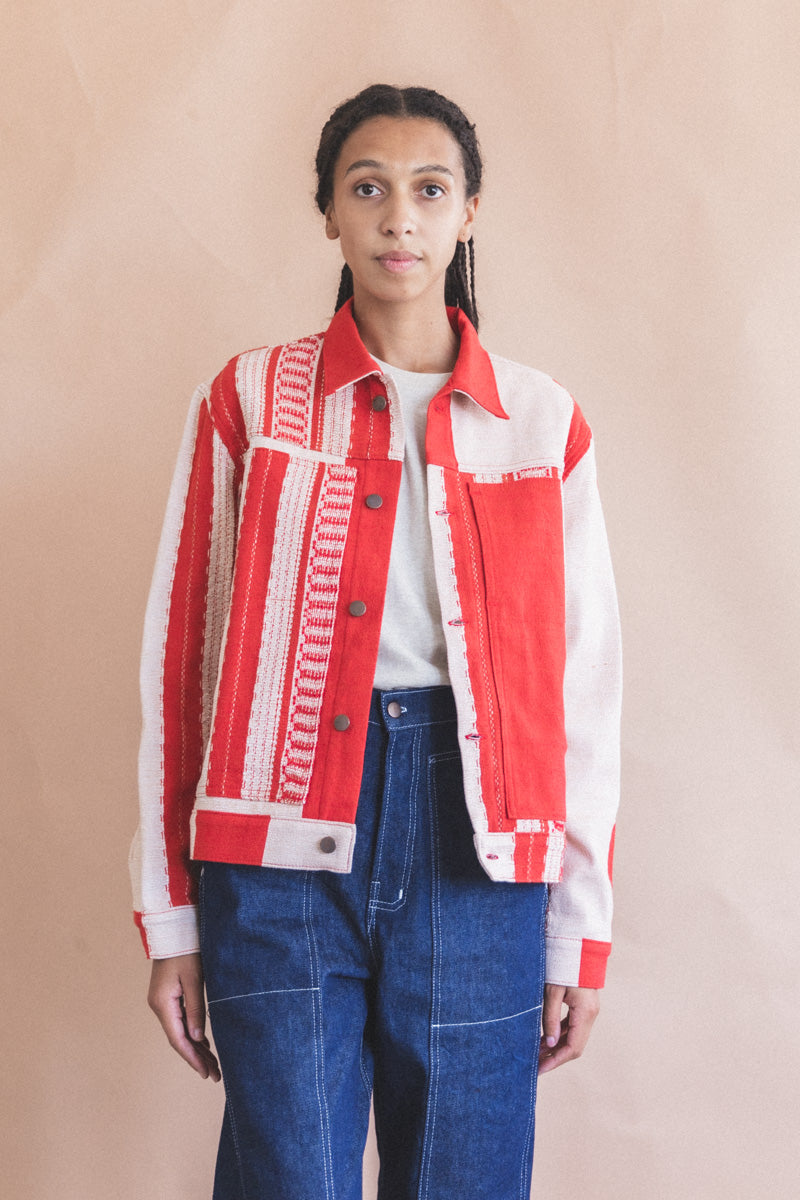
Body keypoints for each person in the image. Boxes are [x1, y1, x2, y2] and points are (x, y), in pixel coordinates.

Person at [130, 83, 622, 1200]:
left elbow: (581, 690)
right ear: (329, 215)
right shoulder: (249, 401)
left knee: (463, 1178)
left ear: (467, 213)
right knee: (285, 1181)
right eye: (368, 189)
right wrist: (171, 912)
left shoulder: (540, 423)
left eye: (427, 189)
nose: (399, 216)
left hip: (478, 852)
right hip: (274, 855)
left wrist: (576, 935)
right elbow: (182, 660)